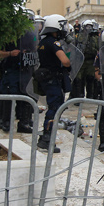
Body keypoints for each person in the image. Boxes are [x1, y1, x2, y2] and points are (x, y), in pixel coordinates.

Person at [36, 15, 72, 153]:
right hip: (53, 80)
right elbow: (65, 61)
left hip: (46, 78)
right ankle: (46, 140)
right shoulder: (54, 43)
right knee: (54, 108)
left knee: (53, 108)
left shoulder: (43, 42)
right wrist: (68, 66)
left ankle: (46, 137)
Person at [71, 19, 100, 100]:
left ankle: (90, 95)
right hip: (81, 60)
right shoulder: (78, 36)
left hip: (91, 60)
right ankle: (79, 96)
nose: (89, 28)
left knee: (90, 78)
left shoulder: (95, 37)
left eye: (90, 26)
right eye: (87, 26)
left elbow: (98, 47)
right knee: (79, 79)